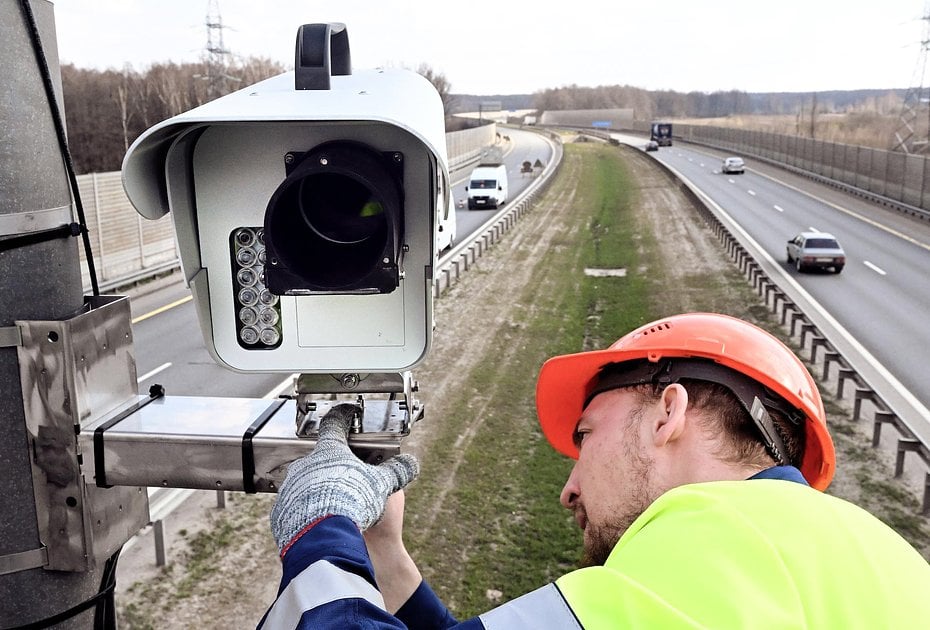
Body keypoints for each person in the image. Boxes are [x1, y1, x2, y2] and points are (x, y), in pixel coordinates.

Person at [258, 312, 930, 629]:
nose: (569, 489)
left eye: (585, 438)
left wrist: (321, 528)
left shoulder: (719, 543)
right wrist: (388, 556)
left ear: (667, 412)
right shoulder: (878, 561)